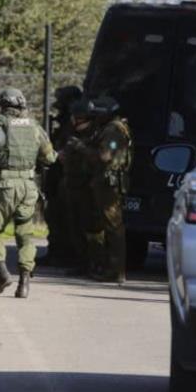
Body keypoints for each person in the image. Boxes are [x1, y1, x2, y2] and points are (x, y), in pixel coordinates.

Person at [0, 87, 57, 298]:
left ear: (3, 105)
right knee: (25, 234)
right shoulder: (34, 127)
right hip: (29, 186)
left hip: (3, 186)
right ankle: (24, 283)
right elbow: (50, 158)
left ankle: (2, 273)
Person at [82, 96, 133, 283]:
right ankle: (109, 268)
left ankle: (116, 270)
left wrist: (82, 148)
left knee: (113, 227)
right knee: (107, 226)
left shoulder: (113, 130)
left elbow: (105, 156)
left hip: (109, 184)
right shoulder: (115, 128)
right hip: (107, 182)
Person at [43, 85, 83, 266]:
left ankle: (68, 255)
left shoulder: (76, 123)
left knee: (66, 217)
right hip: (58, 172)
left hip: (69, 174)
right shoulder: (64, 122)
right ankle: (56, 252)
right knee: (54, 214)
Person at [58, 98, 98, 276]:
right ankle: (83, 262)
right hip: (72, 183)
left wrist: (80, 147)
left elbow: (100, 158)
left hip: (86, 186)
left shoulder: (95, 135)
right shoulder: (73, 134)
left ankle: (94, 263)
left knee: (88, 226)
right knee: (75, 226)